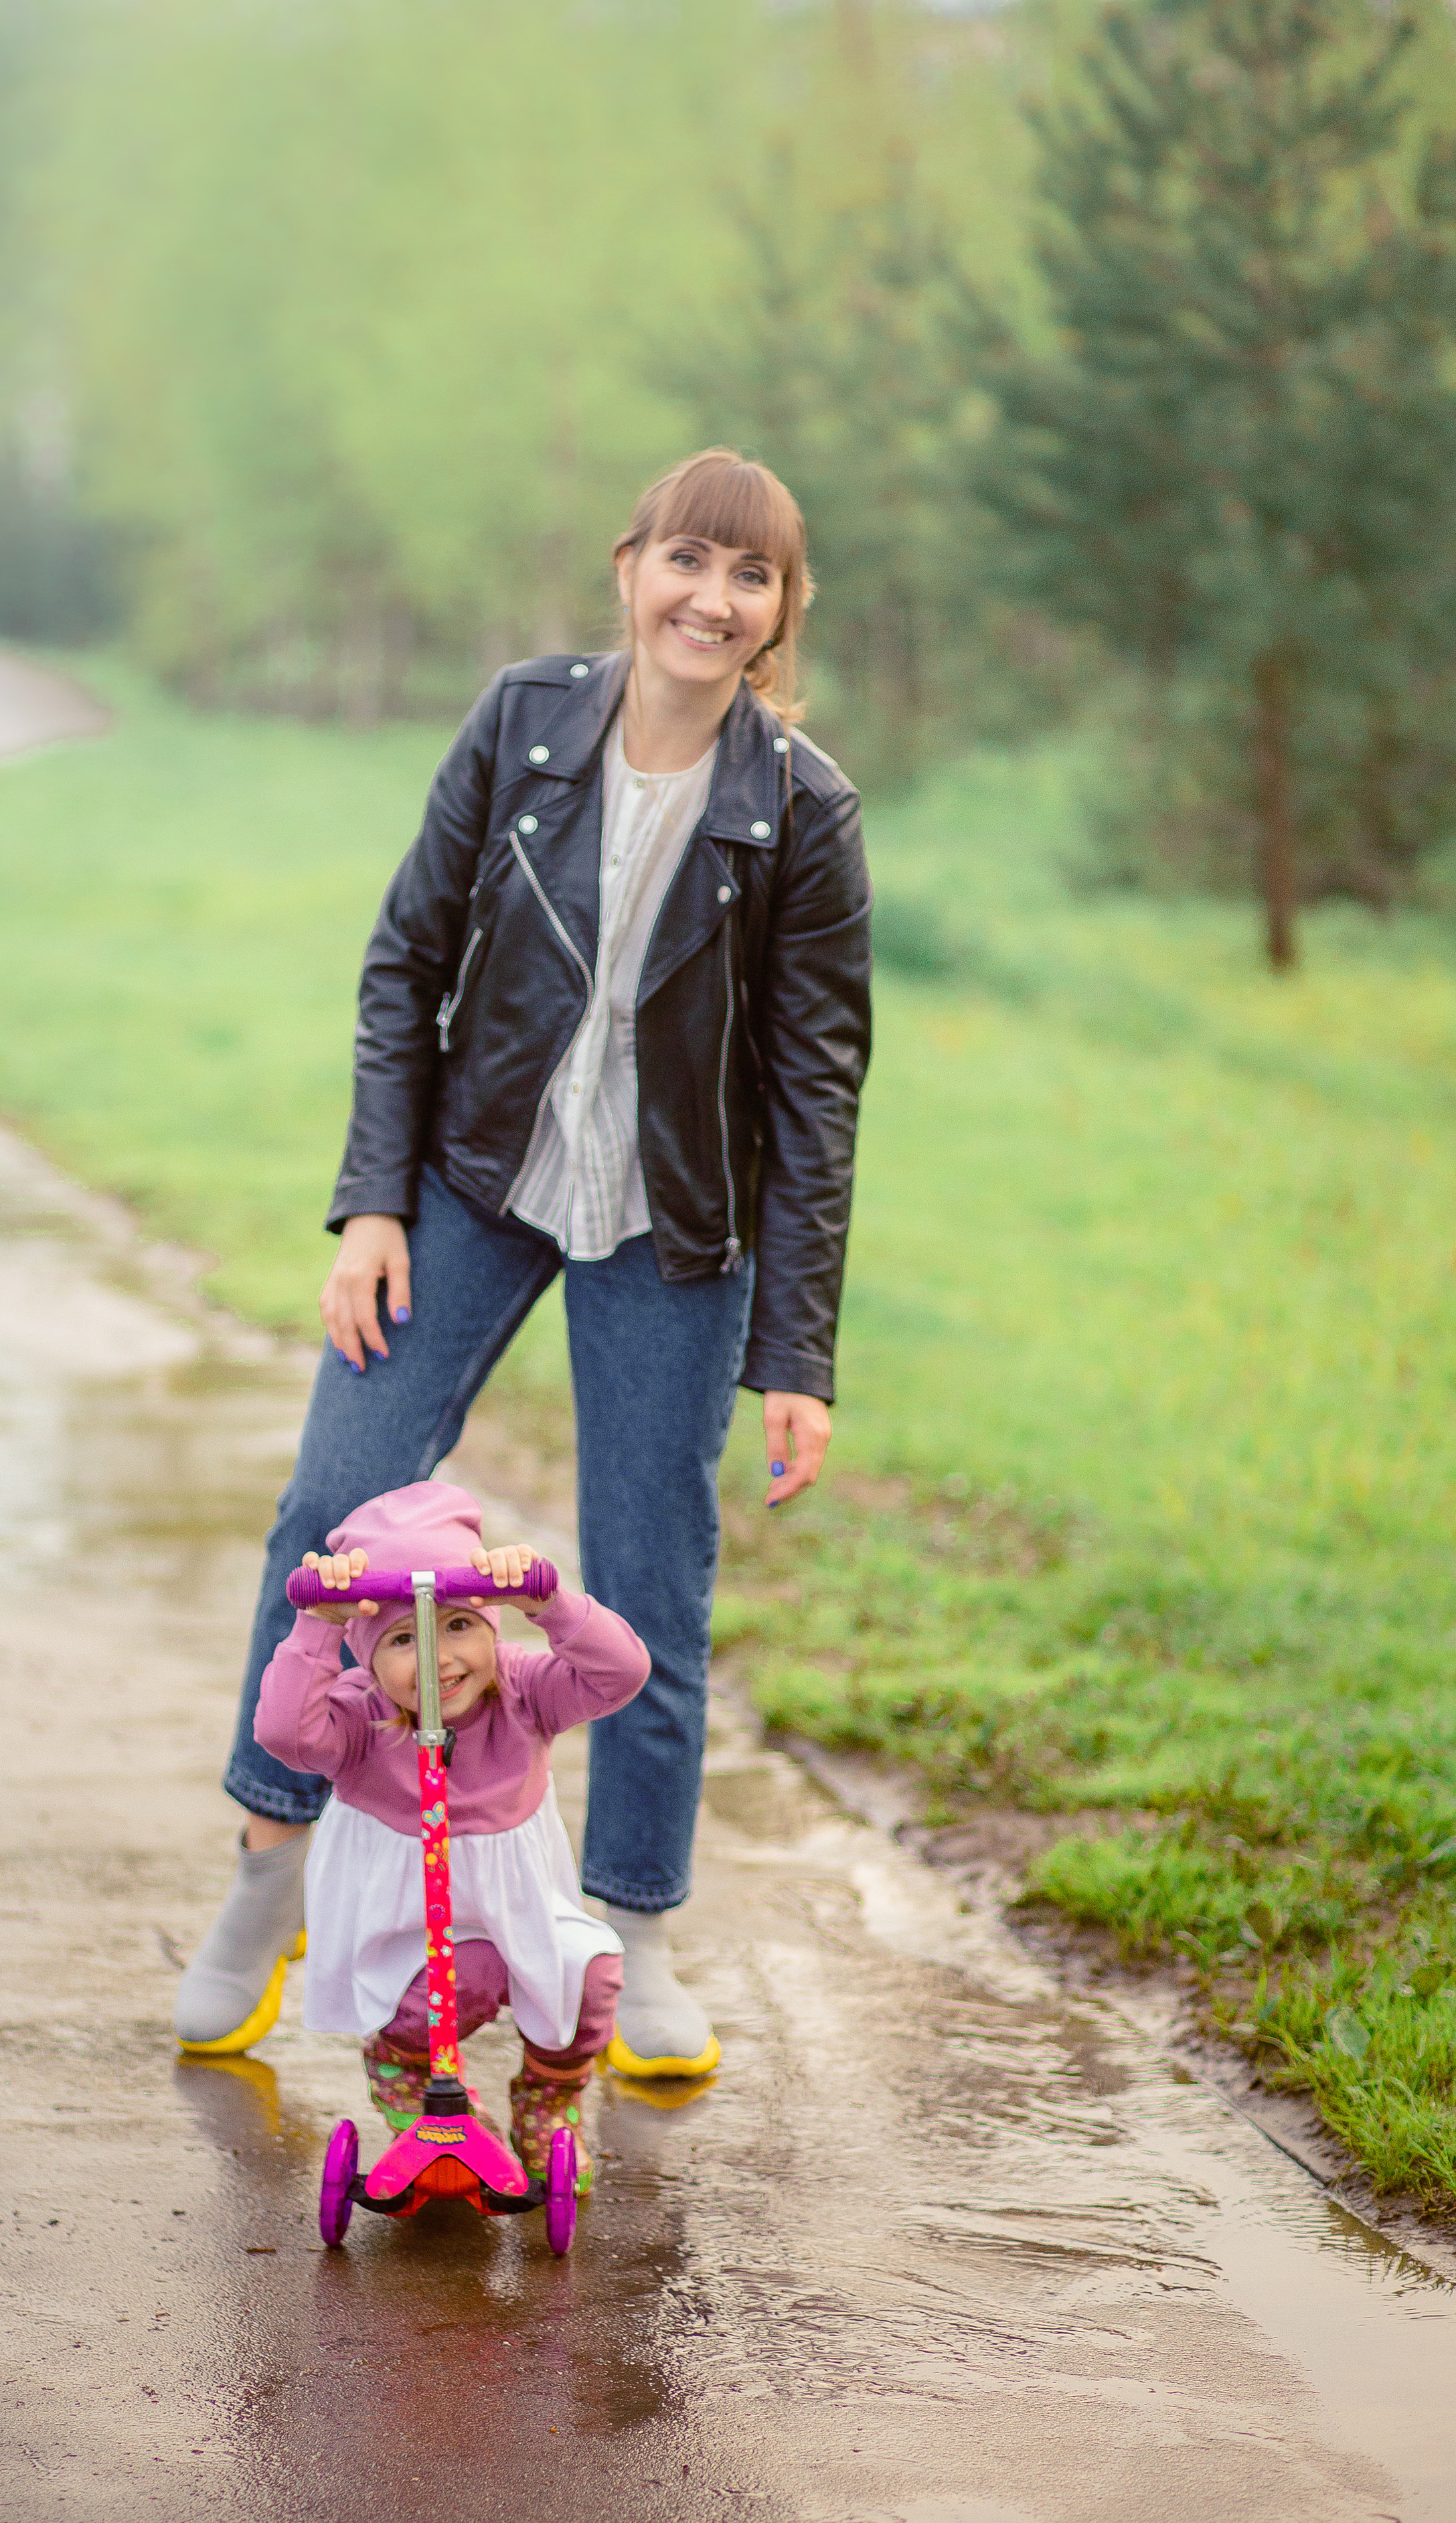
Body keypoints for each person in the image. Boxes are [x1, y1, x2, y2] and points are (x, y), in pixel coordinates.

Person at [175, 446, 872, 2079]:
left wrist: (795, 1354)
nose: (711, 598)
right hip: (470, 1182)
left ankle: (632, 1927)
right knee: (326, 1504)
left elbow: (813, 1096)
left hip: (673, 1226)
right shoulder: (522, 722)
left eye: (750, 576)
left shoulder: (802, 811)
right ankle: (270, 1868)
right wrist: (373, 1201)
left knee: (647, 1580)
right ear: (629, 567)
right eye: (687, 559)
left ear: (780, 611)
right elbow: (404, 959)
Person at [254, 1480, 647, 2188]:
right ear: (367, 1656)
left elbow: (622, 1673)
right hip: (409, 1920)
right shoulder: (361, 1718)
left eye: (460, 1624)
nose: (438, 1658)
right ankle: (405, 2069)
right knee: (460, 1976)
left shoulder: (524, 1692)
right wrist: (318, 1624)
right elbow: (285, 1735)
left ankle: (547, 2100)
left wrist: (550, 1604)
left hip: (520, 1902)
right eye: (404, 1639)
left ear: (493, 1626)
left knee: (591, 1973)